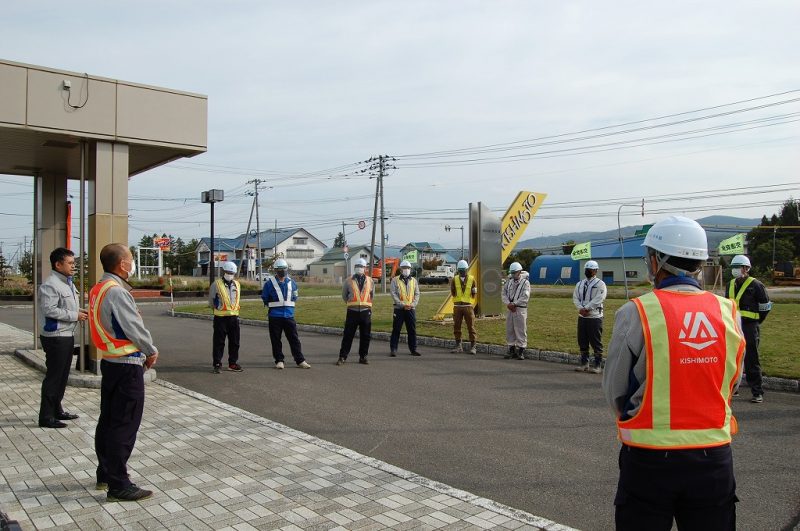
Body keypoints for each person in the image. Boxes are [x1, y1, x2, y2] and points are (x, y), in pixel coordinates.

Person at [602, 216, 745, 530]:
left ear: (656, 260)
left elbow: (615, 389)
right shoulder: (727, 311)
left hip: (649, 461)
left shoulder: (636, 311)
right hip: (714, 459)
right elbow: (732, 380)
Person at [89, 243, 159, 502]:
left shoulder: (98, 288)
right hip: (127, 366)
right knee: (124, 424)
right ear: (122, 265)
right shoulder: (117, 292)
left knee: (108, 421)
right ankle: (119, 484)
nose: (132, 264)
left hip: (111, 363)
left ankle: (105, 473)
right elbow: (133, 327)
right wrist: (150, 349)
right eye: (130, 260)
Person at [37, 247, 88, 428]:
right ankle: (46, 417)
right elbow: (49, 309)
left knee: (62, 376)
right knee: (54, 377)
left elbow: (64, 306)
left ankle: (57, 410)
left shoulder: (67, 282)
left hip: (66, 335)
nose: (73, 266)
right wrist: (75, 315)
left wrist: (78, 311)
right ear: (58, 264)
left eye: (74, 263)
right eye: (70, 263)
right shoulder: (51, 284)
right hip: (56, 337)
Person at [727, 254, 772, 403]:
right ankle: (734, 387)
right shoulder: (730, 284)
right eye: (733, 267)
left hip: (750, 326)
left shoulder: (756, 285)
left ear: (746, 268)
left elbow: (765, 306)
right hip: (733, 325)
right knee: (733, 358)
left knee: (751, 358)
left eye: (737, 267)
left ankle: (757, 392)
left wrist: (757, 321)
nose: (735, 270)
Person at [261, 258, 310, 369]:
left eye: (284, 269)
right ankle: (279, 360)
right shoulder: (269, 284)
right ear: (276, 270)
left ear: (286, 269)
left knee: (294, 339)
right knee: (276, 340)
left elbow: (295, 296)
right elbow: (265, 297)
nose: (282, 271)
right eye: (280, 269)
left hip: (289, 316)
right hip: (275, 316)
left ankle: (300, 360)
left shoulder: (291, 282)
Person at [572, 260, 608, 373]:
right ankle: (584, 363)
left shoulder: (600, 284)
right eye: (587, 269)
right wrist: (580, 309)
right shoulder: (580, 284)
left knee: (596, 341)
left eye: (591, 270)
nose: (588, 271)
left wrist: (587, 308)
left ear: (596, 271)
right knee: (582, 340)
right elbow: (575, 297)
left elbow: (599, 298)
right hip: (582, 316)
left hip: (595, 316)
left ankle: (597, 365)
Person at [337, 257, 374, 365]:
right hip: (352, 312)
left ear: (365, 268)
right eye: (357, 266)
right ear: (354, 268)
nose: (359, 268)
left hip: (365, 312)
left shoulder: (370, 280)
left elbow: (372, 295)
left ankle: (363, 356)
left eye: (361, 267)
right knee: (348, 335)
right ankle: (342, 357)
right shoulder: (348, 280)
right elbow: (344, 296)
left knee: (366, 336)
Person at [208, 261, 243, 373]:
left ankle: (232, 363)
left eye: (231, 272)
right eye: (228, 272)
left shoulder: (237, 284)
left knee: (235, 342)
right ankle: (217, 364)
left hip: (234, 318)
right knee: (219, 342)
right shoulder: (216, 284)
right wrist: (217, 309)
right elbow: (211, 301)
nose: (230, 274)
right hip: (220, 318)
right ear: (224, 271)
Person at [389, 260, 421, 356]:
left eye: (408, 268)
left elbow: (417, 294)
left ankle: (413, 349)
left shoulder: (414, 281)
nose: (406, 270)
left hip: (411, 309)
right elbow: (393, 293)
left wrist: (413, 304)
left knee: (412, 330)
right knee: (396, 329)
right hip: (399, 309)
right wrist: (402, 304)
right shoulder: (395, 280)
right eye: (404, 268)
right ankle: (393, 349)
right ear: (401, 269)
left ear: (410, 269)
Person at [501, 262, 530, 360]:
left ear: (519, 272)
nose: (513, 275)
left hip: (520, 308)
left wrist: (515, 303)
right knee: (510, 329)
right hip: (510, 308)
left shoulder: (525, 283)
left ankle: (521, 350)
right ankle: (511, 349)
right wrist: (508, 303)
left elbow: (525, 297)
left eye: (515, 273)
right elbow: (503, 293)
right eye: (512, 273)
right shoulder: (509, 282)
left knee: (521, 329)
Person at [450, 259, 478, 354]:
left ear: (467, 269)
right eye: (460, 270)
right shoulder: (454, 279)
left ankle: (473, 346)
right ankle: (458, 346)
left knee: (471, 326)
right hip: (457, 306)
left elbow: (474, 292)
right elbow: (453, 292)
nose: (462, 272)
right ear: (458, 270)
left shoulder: (472, 279)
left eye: (463, 270)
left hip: (468, 306)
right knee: (457, 326)